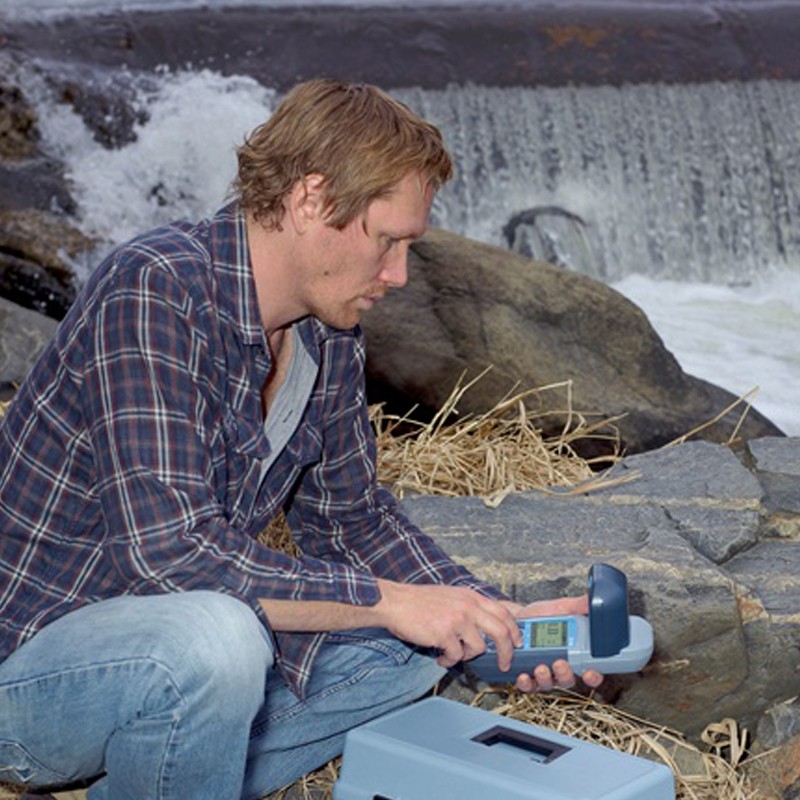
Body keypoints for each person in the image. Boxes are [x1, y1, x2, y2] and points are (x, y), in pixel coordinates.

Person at [0, 79, 602, 800]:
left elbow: (353, 521)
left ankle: (165, 769)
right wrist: (387, 602)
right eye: (387, 240)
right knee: (223, 640)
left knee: (418, 652)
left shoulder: (328, 336)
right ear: (311, 199)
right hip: (30, 670)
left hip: (164, 662)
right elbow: (170, 556)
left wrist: (492, 618)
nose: (398, 275)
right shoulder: (153, 291)